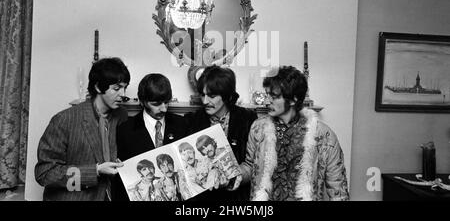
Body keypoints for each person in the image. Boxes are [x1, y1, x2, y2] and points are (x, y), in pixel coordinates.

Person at [240, 66, 349, 201]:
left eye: (274, 96)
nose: (267, 101)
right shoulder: (258, 128)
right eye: (267, 95)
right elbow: (250, 166)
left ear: (294, 99)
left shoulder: (324, 135)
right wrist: (234, 176)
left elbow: (338, 190)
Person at [35, 57, 130, 201]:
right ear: (98, 87)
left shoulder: (121, 115)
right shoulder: (64, 120)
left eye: (125, 88)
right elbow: (45, 174)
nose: (122, 94)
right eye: (116, 88)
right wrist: (95, 171)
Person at [184, 65, 257, 200]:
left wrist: (234, 176)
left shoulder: (247, 119)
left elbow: (254, 165)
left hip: (236, 200)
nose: (205, 101)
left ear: (227, 95)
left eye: (211, 96)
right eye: (202, 95)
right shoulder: (191, 120)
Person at [113, 73, 188, 201]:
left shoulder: (182, 124)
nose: (163, 109)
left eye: (166, 102)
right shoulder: (124, 130)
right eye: (156, 104)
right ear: (142, 102)